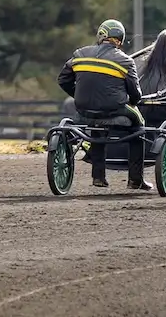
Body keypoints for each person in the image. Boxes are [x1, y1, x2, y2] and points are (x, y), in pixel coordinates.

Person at [57, 18, 147, 190]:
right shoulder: (126, 61)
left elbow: (62, 80)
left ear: (100, 35)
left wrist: (78, 96)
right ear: (119, 40)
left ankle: (98, 177)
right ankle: (135, 179)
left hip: (84, 111)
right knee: (140, 125)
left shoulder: (79, 54)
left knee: (97, 127)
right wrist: (132, 102)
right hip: (114, 110)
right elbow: (136, 95)